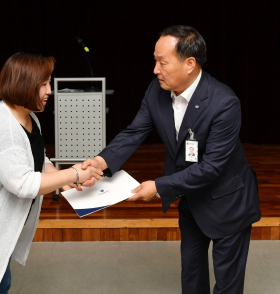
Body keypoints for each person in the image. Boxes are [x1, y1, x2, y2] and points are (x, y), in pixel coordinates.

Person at [82, 25, 261, 294]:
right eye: (155, 61)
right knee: (191, 272)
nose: (155, 69)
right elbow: (134, 132)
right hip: (190, 197)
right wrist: (101, 161)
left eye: (162, 62)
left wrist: (158, 186)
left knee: (227, 283)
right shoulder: (157, 90)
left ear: (190, 64)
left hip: (228, 201)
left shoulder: (224, 102)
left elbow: (212, 167)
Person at [0, 52, 103, 294]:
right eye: (44, 84)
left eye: (49, 83)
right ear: (24, 84)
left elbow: (38, 158)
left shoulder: (29, 118)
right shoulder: (0, 127)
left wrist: (61, 181)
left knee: (1, 283)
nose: (49, 91)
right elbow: (23, 184)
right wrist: (73, 174)